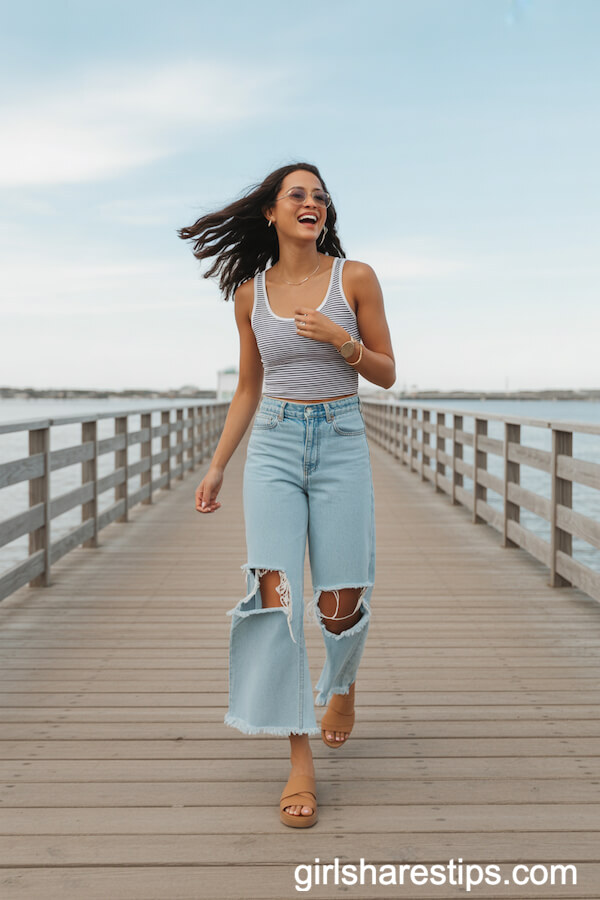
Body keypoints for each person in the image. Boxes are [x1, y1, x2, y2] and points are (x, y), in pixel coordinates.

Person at [178, 162, 395, 828]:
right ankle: (298, 760)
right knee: (274, 598)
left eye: (321, 196)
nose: (313, 203)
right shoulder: (249, 294)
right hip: (273, 443)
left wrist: (344, 343)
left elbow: (387, 373)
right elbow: (248, 387)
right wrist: (218, 466)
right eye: (298, 195)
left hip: (340, 439)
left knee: (339, 602)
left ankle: (344, 686)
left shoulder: (354, 277)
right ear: (271, 213)